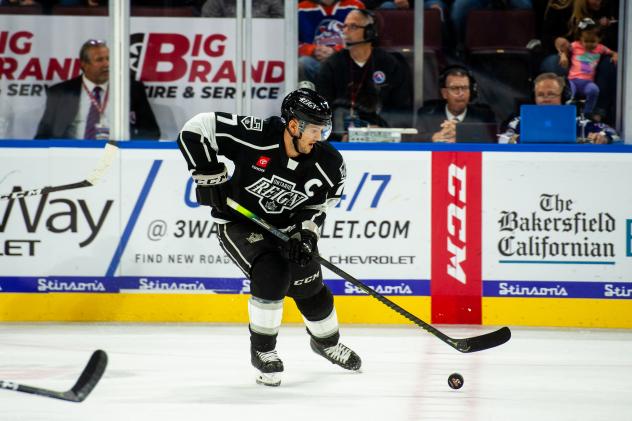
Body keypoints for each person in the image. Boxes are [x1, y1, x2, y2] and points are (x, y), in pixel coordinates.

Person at [176, 88, 361, 387]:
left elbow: (318, 206)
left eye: (323, 128)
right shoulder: (256, 135)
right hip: (239, 224)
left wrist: (306, 236)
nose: (320, 135)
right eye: (315, 128)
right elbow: (195, 128)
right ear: (293, 125)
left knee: (309, 284)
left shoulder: (329, 163)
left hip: (288, 231)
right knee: (271, 272)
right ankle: (263, 351)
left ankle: (326, 343)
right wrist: (208, 174)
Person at [35, 39, 160, 140]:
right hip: (73, 156)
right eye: (100, 60)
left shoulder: (132, 89)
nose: (106, 64)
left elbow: (151, 132)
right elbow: (43, 136)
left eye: (108, 59)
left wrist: (129, 152)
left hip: (117, 155)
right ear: (84, 64)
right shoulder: (61, 93)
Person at [316, 8, 413, 137]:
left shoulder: (389, 64)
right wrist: (339, 136)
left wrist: (382, 128)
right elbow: (322, 109)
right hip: (342, 136)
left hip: (383, 135)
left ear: (369, 31)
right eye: (344, 26)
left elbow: (402, 108)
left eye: (353, 26)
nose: (345, 31)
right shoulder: (332, 65)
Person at [498, 72, 618, 144]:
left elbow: (613, 133)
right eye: (540, 95)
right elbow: (502, 139)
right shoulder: (520, 121)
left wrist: (603, 137)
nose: (545, 99)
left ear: (564, 96)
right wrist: (516, 139)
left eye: (551, 94)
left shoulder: (579, 122)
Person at [414, 65, 496, 143]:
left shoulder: (484, 116)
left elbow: (492, 140)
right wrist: (433, 137)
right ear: (444, 93)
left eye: (465, 88)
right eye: (455, 88)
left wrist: (461, 134)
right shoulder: (427, 115)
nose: (461, 93)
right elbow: (414, 139)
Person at [558, 17, 617, 116]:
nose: (589, 44)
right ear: (581, 39)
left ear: (599, 39)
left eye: (593, 41)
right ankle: (567, 113)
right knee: (568, 93)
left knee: (594, 90)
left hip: (587, 83)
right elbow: (564, 49)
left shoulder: (601, 48)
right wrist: (563, 55)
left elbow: (613, 52)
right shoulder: (575, 45)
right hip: (573, 80)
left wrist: (615, 55)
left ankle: (587, 112)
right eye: (586, 41)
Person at [298, 0, 365, 83]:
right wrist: (312, 50)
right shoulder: (300, 9)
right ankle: (309, 94)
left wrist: (336, 50)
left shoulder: (355, 6)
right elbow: (292, 42)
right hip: (314, 61)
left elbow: (362, 38)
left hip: (346, 59)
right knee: (302, 63)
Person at [201, 0, 283, 17]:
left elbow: (281, 25)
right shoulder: (216, 2)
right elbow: (208, 26)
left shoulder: (272, 1)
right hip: (227, 44)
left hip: (265, 42)